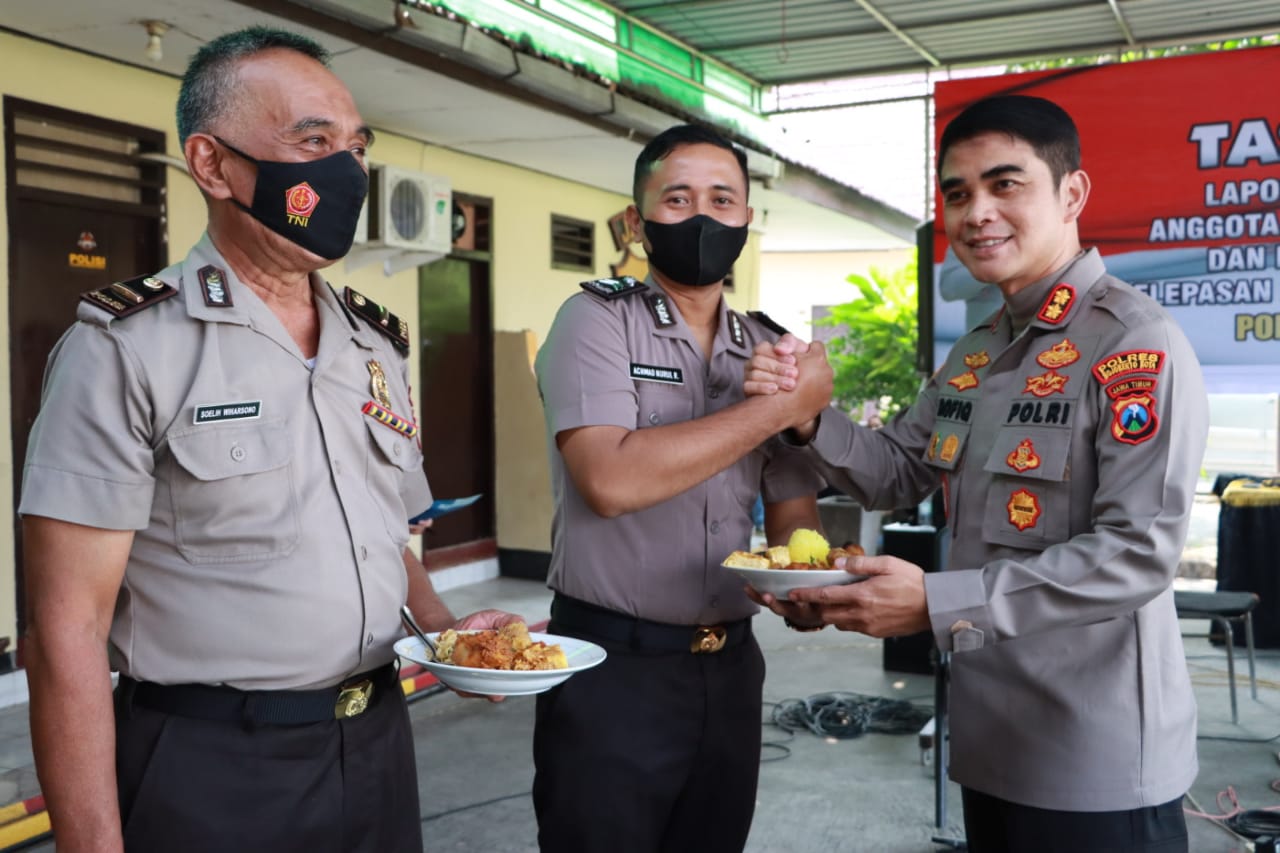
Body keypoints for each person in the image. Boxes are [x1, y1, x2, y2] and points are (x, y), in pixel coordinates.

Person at [19, 27, 515, 853]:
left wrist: (454, 640)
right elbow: (64, 632)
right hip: (213, 767)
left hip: (379, 743)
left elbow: (388, 538)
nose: (346, 170)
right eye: (313, 141)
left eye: (356, 146)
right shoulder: (126, 347)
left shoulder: (373, 344)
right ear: (213, 165)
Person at [747, 95, 1206, 852]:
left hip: (1093, 756)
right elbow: (897, 470)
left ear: (1072, 194)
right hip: (991, 741)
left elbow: (1138, 551)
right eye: (956, 193)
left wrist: (934, 599)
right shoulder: (980, 350)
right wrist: (805, 416)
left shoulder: (1135, 343)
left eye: (1005, 184)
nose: (976, 212)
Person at [532, 124, 831, 852]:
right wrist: (774, 408)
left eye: (722, 198)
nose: (702, 215)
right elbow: (610, 478)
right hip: (612, 668)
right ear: (638, 223)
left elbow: (792, 502)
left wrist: (807, 583)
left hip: (730, 666)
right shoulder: (595, 322)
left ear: (745, 221)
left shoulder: (768, 346)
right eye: (678, 197)